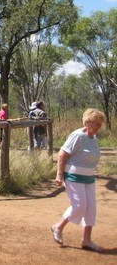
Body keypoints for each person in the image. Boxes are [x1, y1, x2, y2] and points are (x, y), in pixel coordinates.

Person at [51, 108, 106, 252]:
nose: (98, 127)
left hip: (89, 178)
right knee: (79, 206)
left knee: (90, 209)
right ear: (87, 123)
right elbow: (62, 154)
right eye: (96, 124)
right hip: (74, 177)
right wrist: (59, 174)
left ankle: (86, 240)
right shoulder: (77, 136)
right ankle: (58, 227)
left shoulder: (93, 138)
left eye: (99, 125)